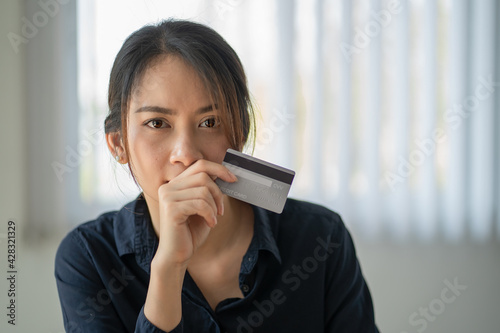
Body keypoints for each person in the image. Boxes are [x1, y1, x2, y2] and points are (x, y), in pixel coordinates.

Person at [55, 19, 379, 333]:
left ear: (240, 134)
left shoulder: (322, 238)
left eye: (209, 122)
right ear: (118, 144)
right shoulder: (87, 258)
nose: (186, 153)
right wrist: (168, 267)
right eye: (157, 123)